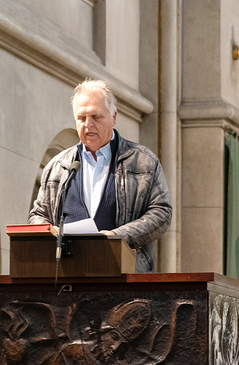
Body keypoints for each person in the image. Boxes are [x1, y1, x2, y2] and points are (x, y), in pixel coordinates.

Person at [29, 79, 172, 273]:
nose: (88, 124)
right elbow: (38, 214)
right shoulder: (57, 167)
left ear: (114, 117)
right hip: (67, 276)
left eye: (96, 117)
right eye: (81, 118)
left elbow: (161, 212)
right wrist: (52, 234)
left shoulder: (143, 161)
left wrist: (118, 236)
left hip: (124, 277)